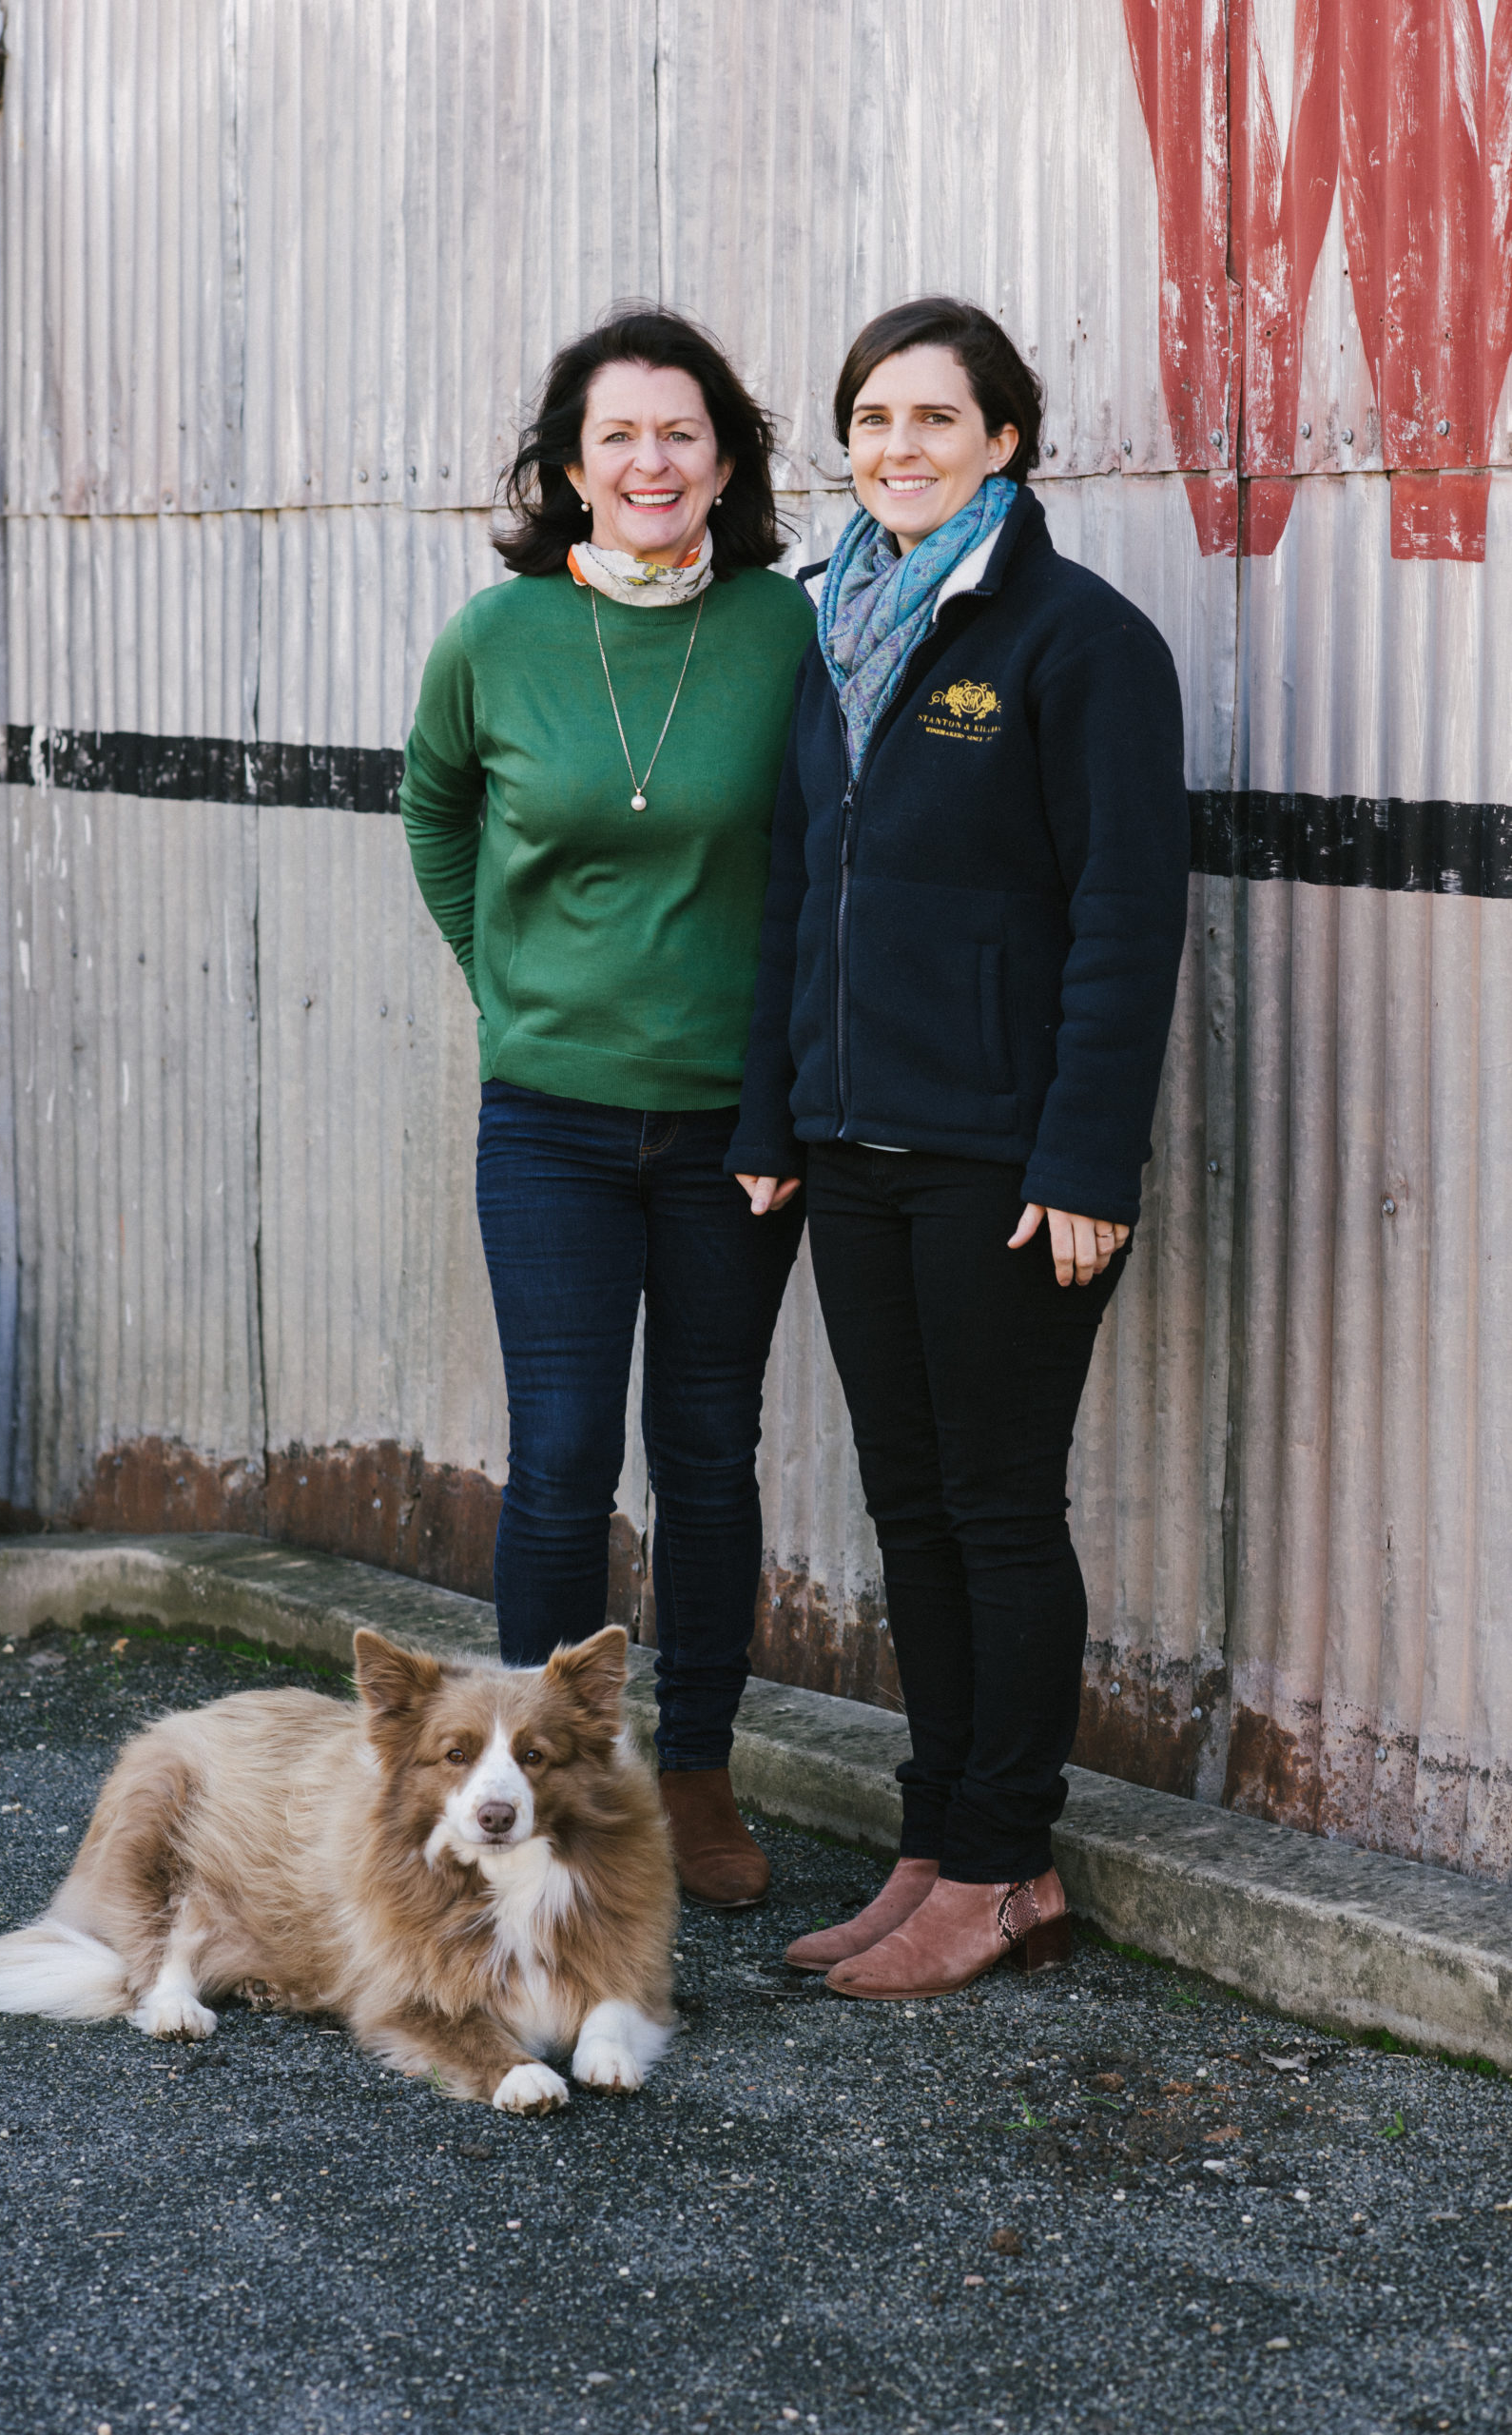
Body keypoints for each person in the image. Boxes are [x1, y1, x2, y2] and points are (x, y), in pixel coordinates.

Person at [729, 295, 1189, 1996]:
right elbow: (791, 893)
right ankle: (932, 1842)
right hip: (849, 1144)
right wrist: (771, 1113)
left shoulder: (1077, 643)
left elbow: (1126, 922)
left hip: (1004, 1161)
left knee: (996, 1506)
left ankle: (1007, 1866)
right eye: (870, 419)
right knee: (906, 1505)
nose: (898, 449)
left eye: (936, 419)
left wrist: (1083, 1161)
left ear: (1005, 440)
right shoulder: (825, 631)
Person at [398, 307, 814, 1908]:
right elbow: (434, 809)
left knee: (707, 1456)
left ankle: (693, 1778)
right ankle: (529, 1784)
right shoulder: (494, 637)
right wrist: (504, 984)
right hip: (551, 1122)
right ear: (568, 468)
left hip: (729, 1132)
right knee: (564, 1460)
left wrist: (784, 1088)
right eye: (620, 437)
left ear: (726, 463)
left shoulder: (788, 630)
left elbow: (818, 862)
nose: (652, 462)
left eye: (683, 434)